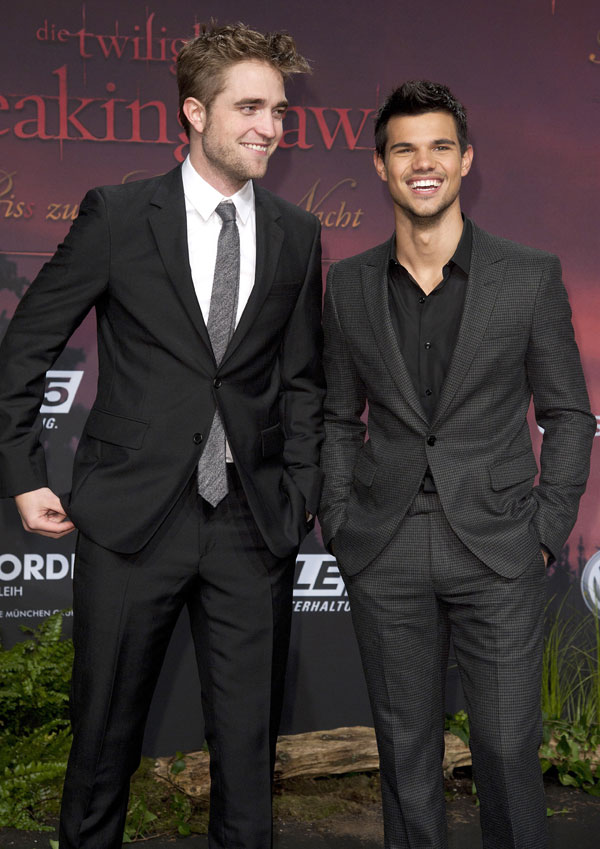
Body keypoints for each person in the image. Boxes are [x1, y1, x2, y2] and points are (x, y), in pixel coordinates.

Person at [0, 23, 324, 849]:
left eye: (279, 112)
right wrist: (24, 471)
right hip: (131, 521)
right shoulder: (118, 214)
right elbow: (27, 345)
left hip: (251, 525)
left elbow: (302, 384)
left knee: (249, 758)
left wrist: (299, 498)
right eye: (249, 107)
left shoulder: (296, 232)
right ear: (193, 110)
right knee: (103, 745)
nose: (269, 127)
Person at [318, 80, 595, 849]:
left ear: (466, 159)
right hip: (386, 542)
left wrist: (545, 528)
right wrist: (340, 521)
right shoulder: (346, 284)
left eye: (440, 145)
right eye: (404, 148)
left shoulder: (528, 276)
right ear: (380, 166)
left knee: (507, 749)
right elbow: (337, 416)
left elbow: (568, 413)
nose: (423, 162)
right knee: (406, 755)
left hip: (499, 544)